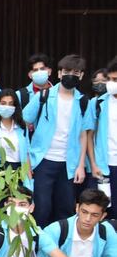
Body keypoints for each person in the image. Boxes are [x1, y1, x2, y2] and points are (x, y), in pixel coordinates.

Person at [22, 54, 91, 229]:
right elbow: (24, 122)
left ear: (81, 76)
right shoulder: (44, 96)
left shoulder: (83, 101)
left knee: (66, 209)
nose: (71, 75)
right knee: (41, 208)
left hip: (69, 164)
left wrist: (81, 165)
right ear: (59, 73)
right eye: (67, 71)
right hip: (43, 160)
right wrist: (27, 159)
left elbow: (84, 135)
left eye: (76, 72)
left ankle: (60, 250)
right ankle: (37, 250)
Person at [0, 89, 33, 198]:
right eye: (3, 103)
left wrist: (29, 181)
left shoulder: (22, 127)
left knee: (17, 208)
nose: (7, 107)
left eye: (10, 104)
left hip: (18, 173)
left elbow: (27, 154)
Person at [88, 59, 117, 217]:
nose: (112, 83)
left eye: (115, 80)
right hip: (103, 166)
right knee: (101, 210)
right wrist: (93, 164)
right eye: (111, 80)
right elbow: (89, 135)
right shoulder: (97, 103)